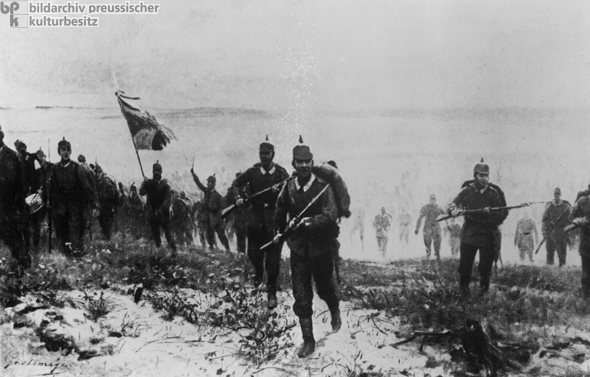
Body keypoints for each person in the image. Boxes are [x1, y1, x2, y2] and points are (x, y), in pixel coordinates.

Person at [273, 139, 341, 358]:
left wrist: (308, 222)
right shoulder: (289, 186)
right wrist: (278, 230)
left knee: (324, 289)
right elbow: (279, 209)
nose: (303, 166)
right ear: (293, 164)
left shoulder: (323, 187)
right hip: (299, 250)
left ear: (312, 162)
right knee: (302, 296)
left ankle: (334, 310)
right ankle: (308, 341)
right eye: (299, 162)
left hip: (320, 249)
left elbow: (331, 215)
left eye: (307, 161)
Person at [231, 137, 289, 309]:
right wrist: (239, 198)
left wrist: (280, 192)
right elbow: (236, 184)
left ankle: (271, 292)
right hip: (255, 218)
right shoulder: (253, 172)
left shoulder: (281, 174)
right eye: (261, 153)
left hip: (274, 220)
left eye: (267, 154)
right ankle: (258, 271)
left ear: (273, 154)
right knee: (253, 253)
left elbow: (289, 192)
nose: (264, 157)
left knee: (273, 260)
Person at [448, 159, 507, 294]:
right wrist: (453, 211)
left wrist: (490, 213)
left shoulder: (494, 193)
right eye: (481, 175)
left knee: (485, 267)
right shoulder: (467, 191)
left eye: (486, 175)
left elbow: (502, 214)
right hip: (470, 232)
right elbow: (452, 203)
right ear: (475, 176)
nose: (484, 179)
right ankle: (463, 291)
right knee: (465, 265)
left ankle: (483, 292)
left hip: (487, 234)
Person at [50, 138, 98, 257]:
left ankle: (77, 253)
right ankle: (66, 254)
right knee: (62, 228)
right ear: (59, 152)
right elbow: (52, 188)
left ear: (71, 152)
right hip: (61, 205)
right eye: (63, 150)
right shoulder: (55, 169)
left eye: (68, 150)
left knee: (75, 228)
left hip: (75, 204)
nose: (66, 152)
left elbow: (87, 187)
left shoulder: (78, 168)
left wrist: (95, 204)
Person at [0, 127, 29, 272]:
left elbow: (13, 182)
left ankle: (24, 269)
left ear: (1, 136)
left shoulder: (11, 156)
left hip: (8, 206)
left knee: (13, 238)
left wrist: (19, 207)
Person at [139, 161, 177, 253]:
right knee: (156, 235)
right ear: (153, 172)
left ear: (161, 172)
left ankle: (174, 251)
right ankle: (159, 252)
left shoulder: (166, 185)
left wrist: (160, 210)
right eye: (155, 171)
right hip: (153, 213)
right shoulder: (149, 183)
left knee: (168, 235)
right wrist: (144, 183)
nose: (156, 173)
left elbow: (168, 200)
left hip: (163, 214)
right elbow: (141, 192)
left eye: (158, 171)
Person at [190, 169, 231, 252]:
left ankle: (228, 249)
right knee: (209, 235)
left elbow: (224, 207)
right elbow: (199, 184)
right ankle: (212, 249)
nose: (208, 184)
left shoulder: (218, 196)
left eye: (209, 182)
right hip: (208, 218)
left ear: (213, 184)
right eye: (207, 182)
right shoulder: (207, 192)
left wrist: (222, 217)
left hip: (216, 219)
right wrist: (194, 174)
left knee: (221, 235)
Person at [541, 187, 571, 266]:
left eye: (558, 194)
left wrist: (563, 224)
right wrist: (544, 231)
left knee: (562, 252)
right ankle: (550, 269)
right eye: (555, 194)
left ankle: (562, 267)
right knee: (550, 253)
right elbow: (544, 219)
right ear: (553, 195)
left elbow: (570, 219)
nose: (557, 195)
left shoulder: (565, 206)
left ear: (560, 194)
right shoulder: (549, 206)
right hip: (551, 232)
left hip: (562, 232)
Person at [568, 197, 590, 298]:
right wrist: (579, 220)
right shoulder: (582, 201)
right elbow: (571, 216)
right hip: (586, 240)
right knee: (586, 270)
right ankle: (585, 295)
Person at [415, 194, 446, 259]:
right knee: (427, 241)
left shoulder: (439, 207)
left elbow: (445, 215)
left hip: (436, 226)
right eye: (432, 199)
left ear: (436, 200)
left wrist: (448, 225)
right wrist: (417, 228)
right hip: (427, 226)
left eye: (434, 199)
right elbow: (420, 218)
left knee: (437, 241)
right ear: (429, 200)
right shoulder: (425, 207)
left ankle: (437, 253)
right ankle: (428, 253)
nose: (433, 201)